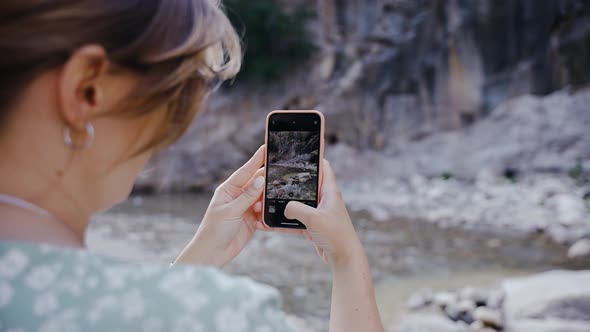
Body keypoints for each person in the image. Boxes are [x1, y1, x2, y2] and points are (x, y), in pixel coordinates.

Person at [0, 0, 384, 331]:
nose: (171, 130)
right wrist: (347, 260)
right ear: (88, 89)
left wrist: (201, 258)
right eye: (174, 94)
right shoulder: (226, 314)